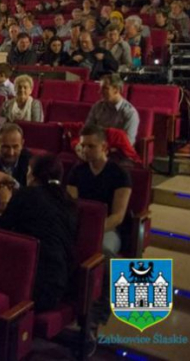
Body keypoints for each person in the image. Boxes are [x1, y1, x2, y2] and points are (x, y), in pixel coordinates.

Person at [67, 125, 132, 329]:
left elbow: (118, 216)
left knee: (103, 251)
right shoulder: (77, 170)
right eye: (82, 145)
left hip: (108, 228)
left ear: (104, 147)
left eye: (90, 146)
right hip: (81, 225)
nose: (85, 150)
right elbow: (72, 205)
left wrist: (93, 232)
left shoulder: (119, 174)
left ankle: (101, 310)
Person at [0, 154, 77, 312]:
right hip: (61, 283)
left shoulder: (27, 194)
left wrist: (4, 202)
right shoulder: (68, 200)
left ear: (32, 174)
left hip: (35, 286)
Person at [85, 74, 139, 145]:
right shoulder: (97, 106)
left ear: (116, 90)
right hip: (96, 146)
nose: (100, 92)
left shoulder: (130, 112)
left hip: (117, 150)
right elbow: (87, 129)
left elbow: (128, 142)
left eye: (105, 88)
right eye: (101, 88)